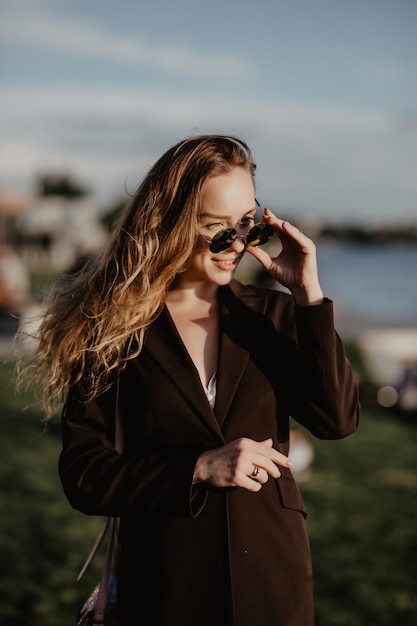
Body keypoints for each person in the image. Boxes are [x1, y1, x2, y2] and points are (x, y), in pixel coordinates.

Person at [31, 134, 360, 626]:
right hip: (166, 585)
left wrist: (309, 297)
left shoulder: (271, 315)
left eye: (247, 225)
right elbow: (84, 476)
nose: (238, 246)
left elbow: (337, 420)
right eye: (217, 228)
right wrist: (199, 466)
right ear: (170, 221)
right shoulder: (114, 329)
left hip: (272, 581)